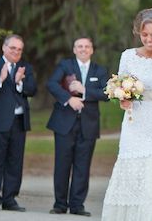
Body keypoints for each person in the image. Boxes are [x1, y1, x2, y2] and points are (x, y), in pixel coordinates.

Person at [102, 7, 152, 220]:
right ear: (138, 33)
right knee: (134, 174)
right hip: (135, 121)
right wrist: (122, 98)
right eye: (145, 34)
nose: (149, 39)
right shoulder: (128, 56)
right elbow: (119, 84)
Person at [47, 37, 109, 217]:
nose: (83, 49)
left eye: (87, 46)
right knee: (62, 165)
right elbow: (51, 84)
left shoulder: (100, 70)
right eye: (79, 46)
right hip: (64, 124)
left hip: (88, 125)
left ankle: (77, 205)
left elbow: (106, 93)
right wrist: (69, 99)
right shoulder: (65, 65)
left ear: (92, 50)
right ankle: (59, 204)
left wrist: (84, 91)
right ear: (74, 49)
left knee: (83, 166)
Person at [0, 34, 37, 212]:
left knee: (15, 161)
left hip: (18, 122)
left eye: (19, 49)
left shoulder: (25, 68)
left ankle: (10, 199)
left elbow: (33, 89)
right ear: (4, 48)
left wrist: (19, 82)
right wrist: (0, 79)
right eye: (13, 48)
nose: (16, 52)